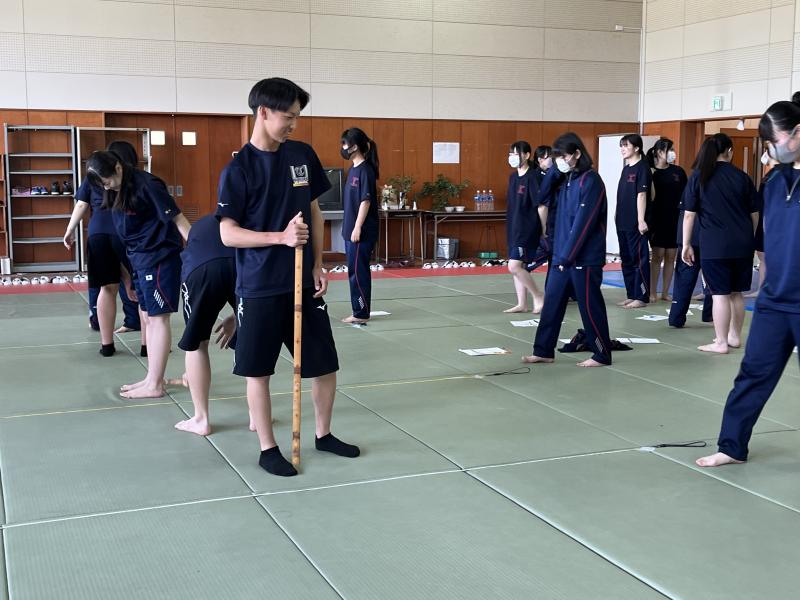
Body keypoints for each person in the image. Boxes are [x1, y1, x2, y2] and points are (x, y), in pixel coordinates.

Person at [216, 77, 359, 477]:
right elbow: (228, 233)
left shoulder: (301, 155)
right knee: (258, 371)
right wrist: (279, 238)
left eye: (297, 116)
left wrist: (317, 263)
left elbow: (313, 210)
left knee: (324, 364)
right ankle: (268, 448)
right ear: (263, 112)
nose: (294, 124)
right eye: (288, 116)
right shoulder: (238, 169)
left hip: (303, 282)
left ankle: (324, 434)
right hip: (259, 286)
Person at [697, 95, 800, 467]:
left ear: (798, 133)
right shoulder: (774, 182)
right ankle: (731, 446)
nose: (772, 149)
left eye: (776, 140)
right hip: (774, 301)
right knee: (753, 375)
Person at [85, 149, 191, 398]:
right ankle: (152, 378)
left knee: (158, 319)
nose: (107, 188)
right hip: (139, 259)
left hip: (159, 258)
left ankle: (155, 385)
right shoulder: (115, 189)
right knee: (148, 318)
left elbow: (178, 219)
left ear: (118, 168)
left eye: (107, 181)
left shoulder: (148, 185)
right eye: (102, 185)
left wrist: (197, 252)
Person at [522, 132, 612, 368]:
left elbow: (584, 223)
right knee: (551, 305)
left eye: (563, 156)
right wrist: (555, 171)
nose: (560, 161)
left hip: (584, 258)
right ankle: (543, 351)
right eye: (557, 158)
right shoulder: (566, 179)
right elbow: (542, 196)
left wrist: (567, 257)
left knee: (590, 307)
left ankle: (602, 354)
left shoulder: (591, 181)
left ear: (577, 154)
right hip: (561, 256)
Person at [681, 133, 758, 354]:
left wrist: (686, 244)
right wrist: (749, 238)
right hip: (742, 244)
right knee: (736, 293)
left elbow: (689, 215)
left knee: (720, 294)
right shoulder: (742, 177)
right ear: (729, 151)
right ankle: (734, 337)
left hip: (714, 245)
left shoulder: (699, 176)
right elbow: (755, 214)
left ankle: (721, 342)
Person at [63, 142, 141, 356]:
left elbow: (81, 204)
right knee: (138, 288)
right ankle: (146, 344)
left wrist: (69, 230)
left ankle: (107, 345)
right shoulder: (133, 177)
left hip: (98, 233)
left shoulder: (94, 175)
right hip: (124, 231)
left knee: (107, 288)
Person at [173, 214, 237, 436]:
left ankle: (201, 419)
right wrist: (239, 317)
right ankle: (258, 417)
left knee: (197, 344)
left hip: (201, 269)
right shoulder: (250, 221)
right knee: (252, 336)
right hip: (241, 266)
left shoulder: (203, 224)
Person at [340, 127, 379, 324]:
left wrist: (357, 227)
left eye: (344, 144)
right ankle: (358, 310)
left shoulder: (365, 171)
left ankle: (361, 313)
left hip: (361, 232)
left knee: (358, 272)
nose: (342, 147)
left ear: (354, 146)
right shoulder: (353, 170)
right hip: (350, 230)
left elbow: (366, 201)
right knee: (353, 271)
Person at [504, 141, 546, 313]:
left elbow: (541, 206)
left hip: (527, 228)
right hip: (513, 227)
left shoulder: (534, 177)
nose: (512, 157)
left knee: (514, 266)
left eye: (516, 154)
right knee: (518, 268)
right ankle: (522, 303)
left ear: (527, 155)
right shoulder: (513, 177)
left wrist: (543, 228)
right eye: (511, 154)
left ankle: (538, 295)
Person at [647, 138, 686, 302]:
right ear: (659, 152)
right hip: (657, 219)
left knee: (671, 256)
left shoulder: (678, 171)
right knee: (657, 256)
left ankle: (665, 292)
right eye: (670, 149)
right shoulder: (651, 172)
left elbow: (686, 195)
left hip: (675, 218)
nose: (673, 153)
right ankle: (651, 291)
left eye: (673, 149)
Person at [616, 134, 651, 309]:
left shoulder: (642, 168)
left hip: (635, 223)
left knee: (639, 260)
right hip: (622, 221)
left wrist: (641, 220)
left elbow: (642, 195)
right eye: (621, 146)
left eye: (626, 145)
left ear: (636, 148)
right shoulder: (626, 169)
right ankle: (631, 294)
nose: (622, 149)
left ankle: (642, 296)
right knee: (627, 260)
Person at [745, 147, 776, 298]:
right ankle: (762, 288)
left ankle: (769, 289)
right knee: (762, 255)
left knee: (770, 256)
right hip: (764, 218)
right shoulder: (770, 175)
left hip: (771, 221)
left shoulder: (779, 175)